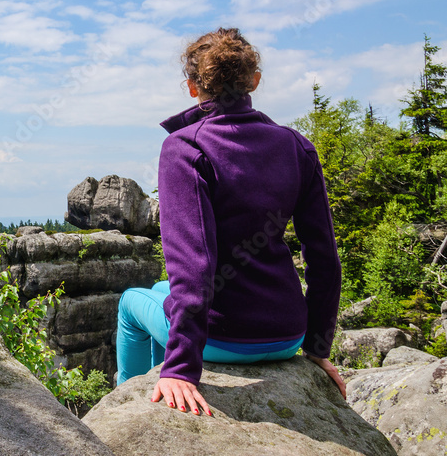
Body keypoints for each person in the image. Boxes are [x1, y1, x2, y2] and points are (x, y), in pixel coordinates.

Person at [115, 27, 345, 417]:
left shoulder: (186, 147)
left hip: (222, 338)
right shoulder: (296, 146)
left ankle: (130, 401)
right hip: (289, 335)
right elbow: (324, 260)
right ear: (254, 80)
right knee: (160, 286)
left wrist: (183, 369)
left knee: (129, 303)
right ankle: (161, 374)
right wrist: (317, 349)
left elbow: (193, 265)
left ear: (192, 87)